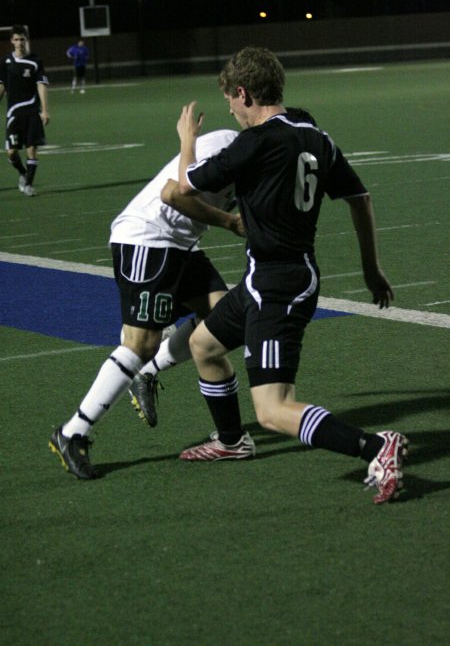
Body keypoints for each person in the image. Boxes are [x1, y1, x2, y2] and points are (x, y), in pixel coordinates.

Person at [161, 46, 409, 504]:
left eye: (231, 101)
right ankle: (231, 441)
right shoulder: (316, 136)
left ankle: (376, 447)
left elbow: (183, 186)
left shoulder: (254, 143)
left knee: (273, 411)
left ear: (243, 93)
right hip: (265, 277)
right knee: (203, 344)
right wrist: (371, 268)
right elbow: (360, 198)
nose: (231, 111)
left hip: (281, 285)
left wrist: (185, 140)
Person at [49, 128, 245, 479]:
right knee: (141, 343)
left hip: (181, 243)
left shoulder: (256, 158)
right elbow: (175, 195)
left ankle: (149, 372)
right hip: (147, 237)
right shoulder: (226, 145)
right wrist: (230, 222)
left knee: (227, 318)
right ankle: (72, 432)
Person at [0, 25, 49, 197]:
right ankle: (22, 172)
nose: (19, 42)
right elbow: (2, 86)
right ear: (11, 41)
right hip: (14, 113)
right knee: (12, 152)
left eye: (22, 39)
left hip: (32, 112)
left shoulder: (36, 61)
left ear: (26, 40)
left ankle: (29, 184)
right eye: (16, 39)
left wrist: (44, 110)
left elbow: (41, 85)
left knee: (31, 149)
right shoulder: (5, 62)